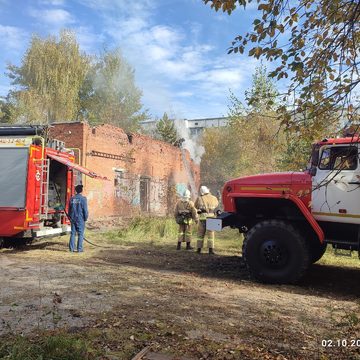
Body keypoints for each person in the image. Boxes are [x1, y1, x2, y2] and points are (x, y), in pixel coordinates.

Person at [195, 185, 219, 255]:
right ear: (208, 191)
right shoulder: (214, 198)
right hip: (212, 218)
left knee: (200, 234)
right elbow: (216, 205)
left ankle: (199, 250)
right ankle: (210, 250)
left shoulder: (199, 198)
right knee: (211, 235)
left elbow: (195, 206)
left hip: (202, 218)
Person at [69, 184, 88, 253]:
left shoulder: (72, 199)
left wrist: (70, 217)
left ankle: (71, 249)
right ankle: (79, 249)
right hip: (80, 219)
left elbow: (69, 210)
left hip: (73, 218)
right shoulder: (83, 199)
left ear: (76, 191)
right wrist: (85, 218)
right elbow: (85, 210)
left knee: (73, 233)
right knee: (80, 234)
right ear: (81, 191)